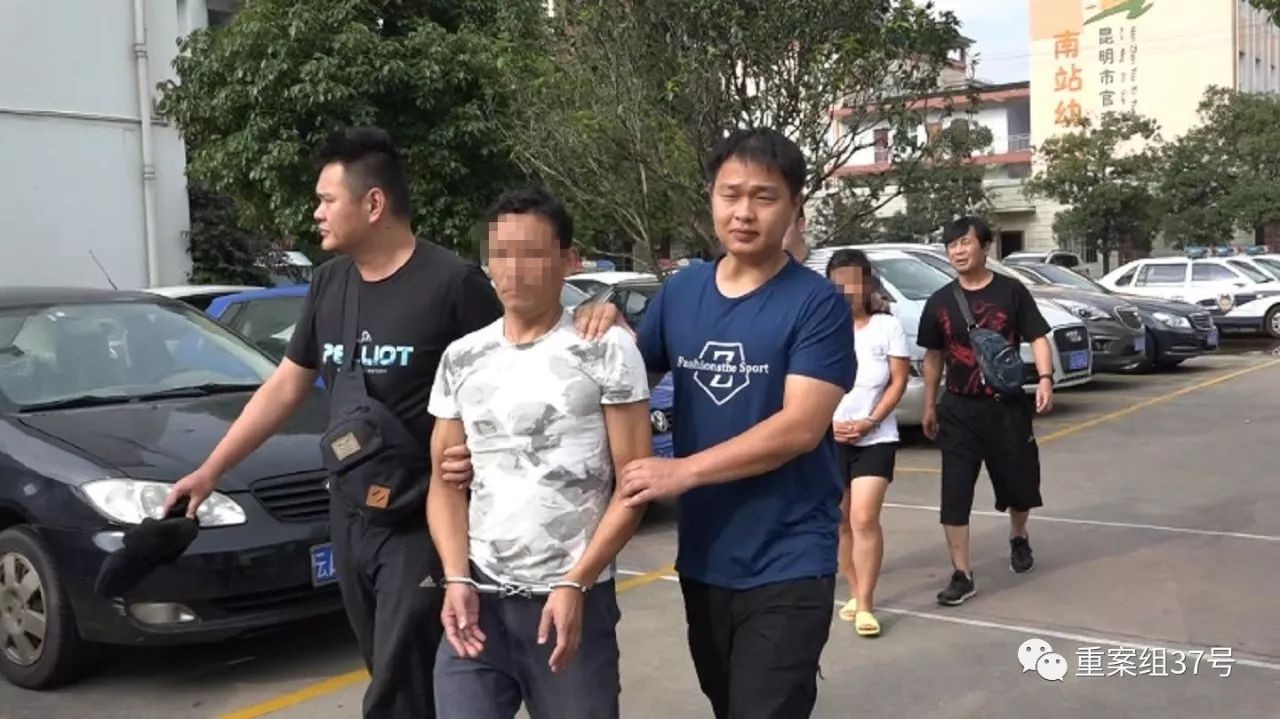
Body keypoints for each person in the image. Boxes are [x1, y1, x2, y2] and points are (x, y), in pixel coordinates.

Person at [163, 127, 504, 718]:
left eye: (326, 199)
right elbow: (285, 386)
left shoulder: (454, 284)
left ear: (373, 204)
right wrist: (210, 472)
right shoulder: (329, 284)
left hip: (422, 517)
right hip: (350, 514)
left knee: (403, 677)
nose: (316, 212)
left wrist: (482, 452)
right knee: (384, 663)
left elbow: (512, 383)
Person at [426, 187, 653, 719]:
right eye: (500, 254)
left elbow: (634, 484)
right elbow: (443, 482)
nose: (513, 270)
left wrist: (577, 581)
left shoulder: (606, 349)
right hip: (479, 601)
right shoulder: (462, 357)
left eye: (531, 254)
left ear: (568, 261)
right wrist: (455, 576)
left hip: (570, 601)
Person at [918, 216, 1054, 607]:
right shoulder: (940, 301)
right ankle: (962, 574)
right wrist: (929, 404)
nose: (958, 251)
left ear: (985, 247)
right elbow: (933, 356)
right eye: (952, 245)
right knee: (954, 493)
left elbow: (1038, 337)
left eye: (965, 243)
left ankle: (1018, 535)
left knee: (1020, 485)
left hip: (1006, 407)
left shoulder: (1012, 291)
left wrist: (1045, 379)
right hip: (958, 410)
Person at [826, 249, 909, 638]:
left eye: (853, 281)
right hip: (831, 438)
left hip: (876, 437)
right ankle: (855, 591)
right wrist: (829, 424)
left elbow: (898, 381)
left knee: (863, 518)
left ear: (867, 284)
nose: (846, 290)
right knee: (841, 521)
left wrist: (870, 421)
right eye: (838, 282)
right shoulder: (822, 329)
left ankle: (866, 603)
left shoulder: (886, 326)